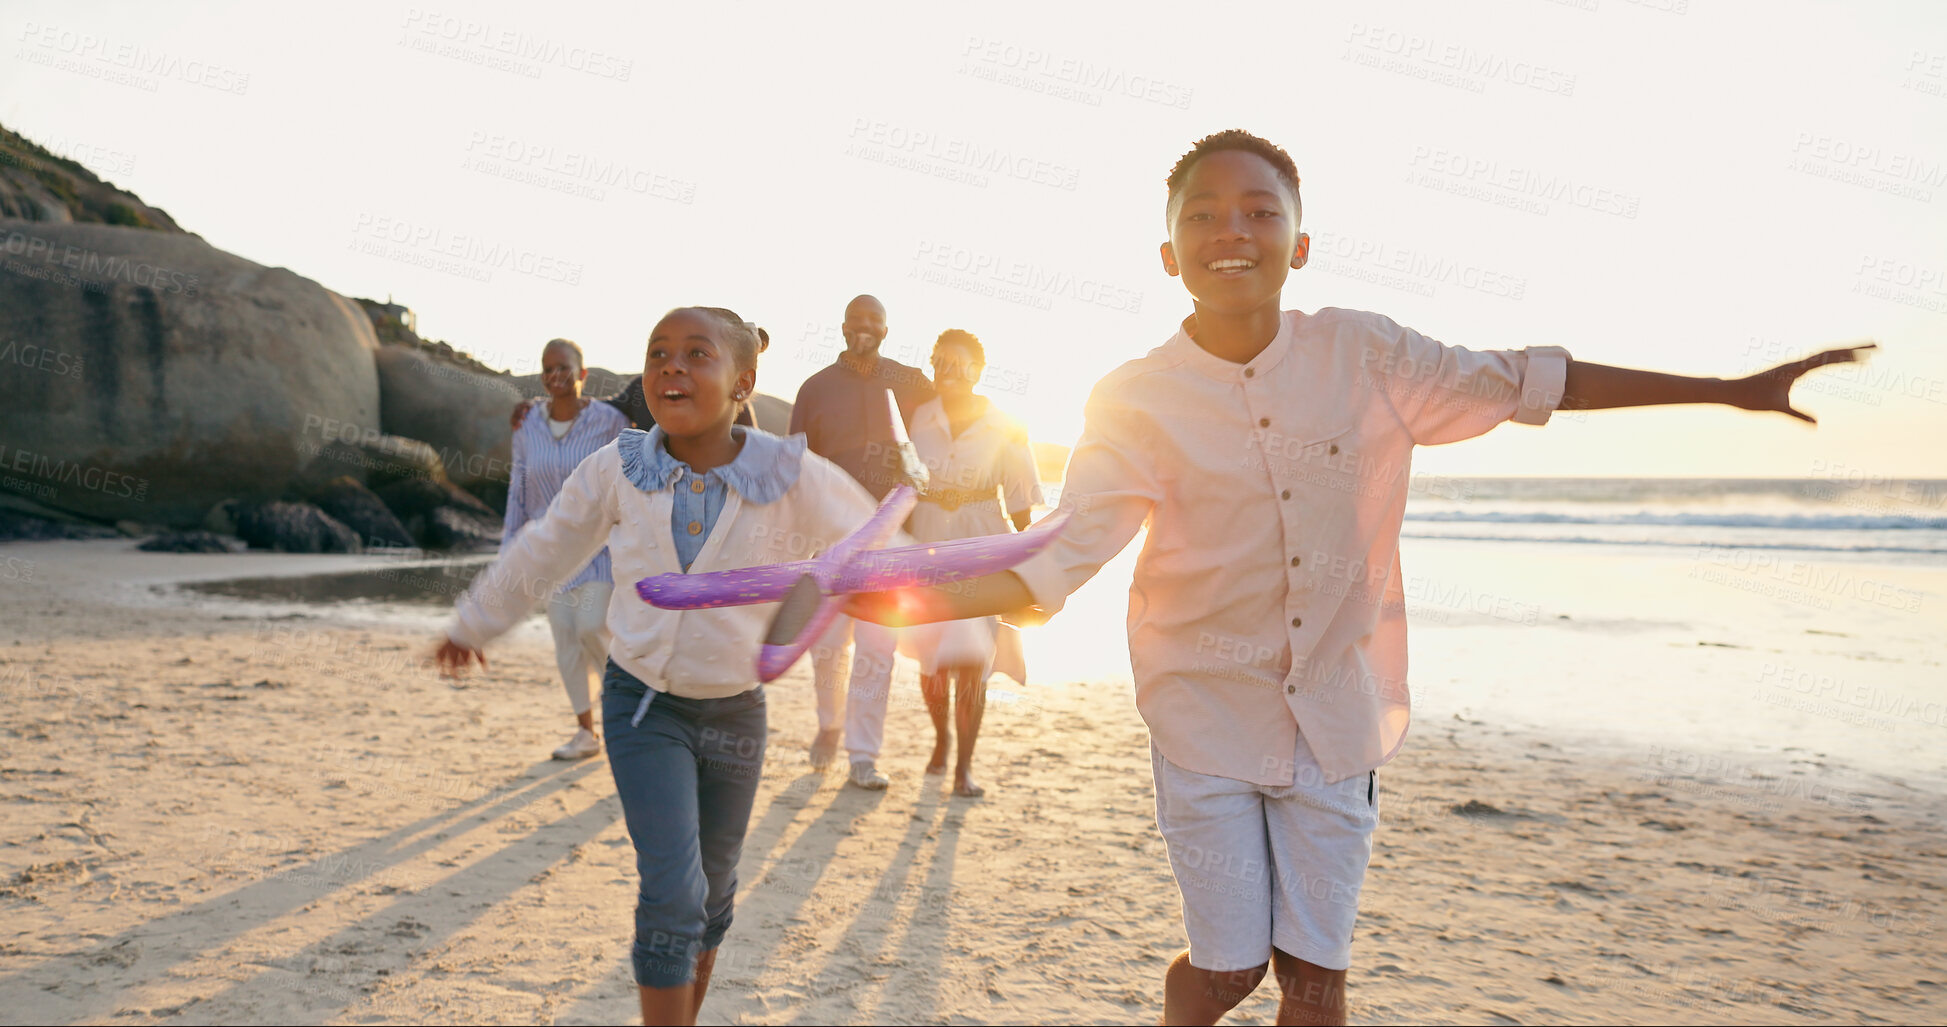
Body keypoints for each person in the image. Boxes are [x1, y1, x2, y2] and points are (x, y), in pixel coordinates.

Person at [845, 130, 1875, 1026]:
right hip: (1201, 716)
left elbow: (1530, 380)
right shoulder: (1133, 397)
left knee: (1318, 985)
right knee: (1230, 970)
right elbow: (1056, 560)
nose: (1232, 229)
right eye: (1204, 214)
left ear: (1302, 242)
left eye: (1260, 210)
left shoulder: (1369, 354)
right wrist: (881, 595)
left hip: (1338, 713)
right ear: (1169, 253)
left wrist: (1729, 393)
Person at [436, 307, 886, 1026]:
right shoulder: (619, 465)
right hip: (643, 703)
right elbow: (546, 545)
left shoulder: (787, 470)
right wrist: (475, 618)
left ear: (743, 381)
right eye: (657, 353)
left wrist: (966, 590)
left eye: (694, 354)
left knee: (713, 896)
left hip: (737, 708)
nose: (670, 366)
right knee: (672, 892)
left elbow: (872, 543)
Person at [789, 294, 935, 789]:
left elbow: (948, 417)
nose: (865, 327)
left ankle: (863, 755)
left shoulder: (910, 383)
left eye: (875, 320)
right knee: (827, 649)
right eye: (857, 319)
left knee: (877, 649)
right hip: (829, 542)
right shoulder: (814, 389)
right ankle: (830, 726)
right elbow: (795, 469)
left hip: (889, 544)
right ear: (844, 326)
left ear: (887, 329)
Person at [903, 329, 1041, 798]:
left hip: (983, 547)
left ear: (979, 371)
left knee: (973, 662)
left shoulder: (1005, 424)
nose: (950, 372)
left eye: (961, 364)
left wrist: (1031, 568)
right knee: (933, 657)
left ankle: (963, 766)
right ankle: (941, 738)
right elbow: (907, 482)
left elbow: (1022, 500)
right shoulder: (920, 417)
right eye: (941, 362)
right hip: (928, 546)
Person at [504, 338, 632, 760]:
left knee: (592, 626)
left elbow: (627, 478)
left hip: (599, 547)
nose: (555, 376)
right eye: (547, 369)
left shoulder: (610, 421)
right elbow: (518, 488)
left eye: (563, 368)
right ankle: (585, 733)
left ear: (581, 374)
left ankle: (626, 710)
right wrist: (511, 551)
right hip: (550, 550)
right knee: (565, 642)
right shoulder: (527, 427)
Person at [510, 328, 769, 432]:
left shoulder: (731, 404)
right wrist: (539, 405)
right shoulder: (642, 391)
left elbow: (752, 457)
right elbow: (594, 406)